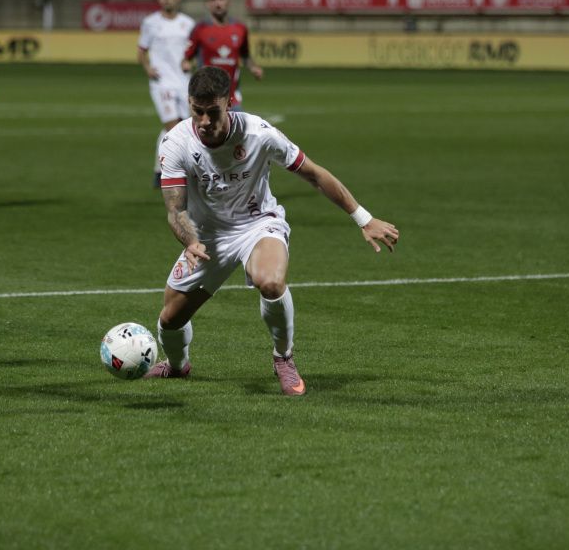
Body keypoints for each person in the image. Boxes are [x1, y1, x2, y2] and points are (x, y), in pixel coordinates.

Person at [144, 66, 400, 395]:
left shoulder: (258, 133)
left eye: (213, 112)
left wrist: (363, 218)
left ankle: (283, 357)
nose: (205, 121)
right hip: (207, 238)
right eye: (197, 112)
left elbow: (314, 174)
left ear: (229, 103)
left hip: (257, 224)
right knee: (169, 320)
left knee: (271, 281)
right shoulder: (176, 143)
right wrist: (191, 242)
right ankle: (178, 366)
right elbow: (175, 210)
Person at [138, 0, 194, 187]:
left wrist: (191, 62)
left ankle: (158, 170)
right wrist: (147, 68)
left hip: (184, 82)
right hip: (162, 83)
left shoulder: (188, 23)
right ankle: (172, 173)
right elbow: (141, 50)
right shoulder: (150, 23)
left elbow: (192, 52)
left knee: (184, 127)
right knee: (173, 127)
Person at [181, 0, 263, 109]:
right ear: (207, 4)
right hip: (205, 100)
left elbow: (245, 56)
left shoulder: (240, 29)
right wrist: (185, 64)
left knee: (238, 129)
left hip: (232, 99)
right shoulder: (199, 29)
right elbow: (187, 57)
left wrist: (253, 67)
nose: (217, 3)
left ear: (228, 1)